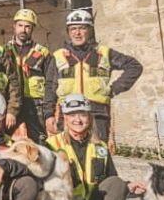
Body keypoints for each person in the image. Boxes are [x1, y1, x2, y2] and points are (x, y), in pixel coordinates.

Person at [46, 94, 145, 200]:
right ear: (65, 118)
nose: (77, 120)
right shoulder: (51, 145)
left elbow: (110, 178)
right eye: (72, 115)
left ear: (90, 117)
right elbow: (47, 188)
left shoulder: (100, 146)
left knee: (117, 184)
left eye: (82, 114)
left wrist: (129, 186)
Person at [43, 9, 143, 142]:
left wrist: (114, 88)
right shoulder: (58, 56)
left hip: (97, 113)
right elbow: (50, 87)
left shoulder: (104, 53)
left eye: (82, 28)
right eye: (73, 29)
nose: (77, 33)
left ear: (89, 30)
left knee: (97, 155)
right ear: (68, 32)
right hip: (68, 113)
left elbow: (134, 66)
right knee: (69, 155)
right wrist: (49, 114)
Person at [5, 8, 50, 141]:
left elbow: (51, 82)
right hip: (11, 102)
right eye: (20, 25)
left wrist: (49, 108)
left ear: (33, 28)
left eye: (27, 26)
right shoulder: (4, 50)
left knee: (39, 140)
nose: (23, 30)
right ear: (14, 26)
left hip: (35, 104)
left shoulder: (43, 53)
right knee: (6, 138)